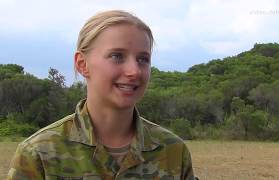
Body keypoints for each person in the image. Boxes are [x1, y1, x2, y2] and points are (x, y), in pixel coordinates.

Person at [7, 10, 196, 179]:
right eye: (117, 56)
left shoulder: (173, 152)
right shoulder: (39, 153)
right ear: (82, 64)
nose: (134, 71)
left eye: (143, 59)